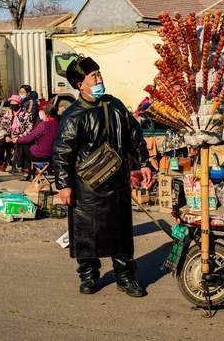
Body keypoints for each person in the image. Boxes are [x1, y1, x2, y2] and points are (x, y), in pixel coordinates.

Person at [53, 56, 151, 297]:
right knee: (86, 232)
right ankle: (88, 275)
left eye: (99, 74)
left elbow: (133, 134)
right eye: (93, 76)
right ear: (80, 85)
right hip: (86, 186)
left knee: (121, 231)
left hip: (117, 182)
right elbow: (62, 152)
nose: (99, 79)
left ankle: (125, 277)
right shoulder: (73, 116)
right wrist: (64, 185)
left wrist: (144, 163)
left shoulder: (114, 106)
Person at [15, 102, 60, 180]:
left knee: (22, 144)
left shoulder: (43, 125)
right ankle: (28, 170)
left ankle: (24, 169)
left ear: (46, 113)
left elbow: (30, 137)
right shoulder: (58, 124)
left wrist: (17, 139)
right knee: (26, 144)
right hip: (53, 154)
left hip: (41, 155)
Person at [0, 95, 34, 171]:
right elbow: (2, 126)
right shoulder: (8, 113)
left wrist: (19, 137)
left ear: (19, 104)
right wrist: (6, 135)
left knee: (18, 145)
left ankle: (15, 166)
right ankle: (1, 163)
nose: (11, 105)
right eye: (11, 103)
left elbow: (29, 128)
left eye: (13, 104)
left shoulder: (26, 114)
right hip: (9, 136)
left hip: (20, 137)